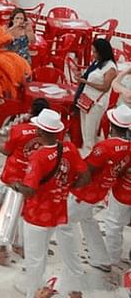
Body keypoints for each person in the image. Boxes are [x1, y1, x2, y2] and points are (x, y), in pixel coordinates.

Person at [13, 109, 89, 298]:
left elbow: (30, 190)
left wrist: (16, 185)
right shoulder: (69, 148)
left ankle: (33, 293)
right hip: (58, 211)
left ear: (39, 132)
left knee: (35, 259)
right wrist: (68, 186)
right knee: (46, 251)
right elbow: (85, 175)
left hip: (37, 215)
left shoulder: (38, 158)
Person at [57, 105, 131, 276]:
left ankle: (73, 267)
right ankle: (101, 259)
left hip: (84, 192)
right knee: (88, 220)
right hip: (101, 191)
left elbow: (87, 169)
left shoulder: (104, 147)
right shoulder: (129, 147)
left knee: (63, 222)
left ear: (111, 125)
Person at [0, 98, 49, 265]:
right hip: (33, 177)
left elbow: (7, 151)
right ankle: (20, 244)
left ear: (31, 111)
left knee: (8, 211)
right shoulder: (51, 133)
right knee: (24, 211)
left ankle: (1, 249)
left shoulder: (19, 130)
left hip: (14, 175)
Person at [74, 38, 117, 154]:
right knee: (84, 128)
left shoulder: (111, 67)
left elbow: (105, 87)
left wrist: (86, 82)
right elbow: (89, 75)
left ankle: (90, 153)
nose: (93, 54)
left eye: (95, 52)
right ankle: (86, 150)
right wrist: (80, 76)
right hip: (86, 99)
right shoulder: (97, 62)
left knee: (90, 130)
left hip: (97, 103)